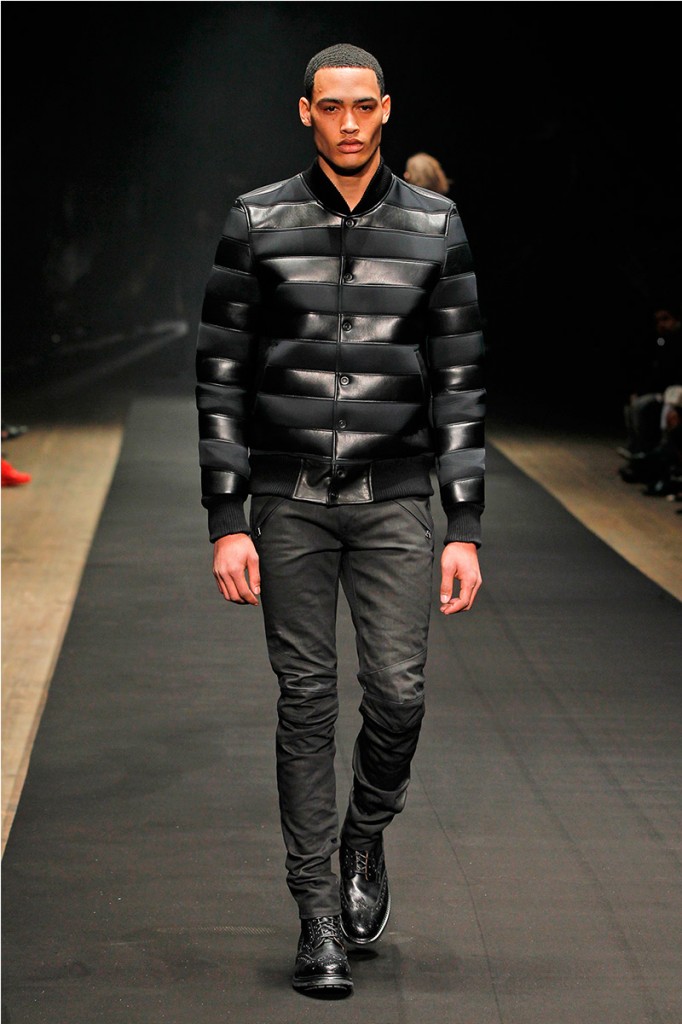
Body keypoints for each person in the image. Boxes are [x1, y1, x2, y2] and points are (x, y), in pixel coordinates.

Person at [195, 42, 485, 998]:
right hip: (288, 504)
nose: (350, 123)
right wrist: (226, 515)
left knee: (398, 697)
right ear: (306, 113)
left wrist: (465, 526)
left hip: (396, 499)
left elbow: (460, 382)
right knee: (307, 702)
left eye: (365, 106)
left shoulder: (436, 225)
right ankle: (317, 912)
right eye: (332, 107)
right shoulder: (257, 220)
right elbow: (222, 375)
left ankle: (364, 834)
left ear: (386, 109)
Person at [619, 302, 682, 481]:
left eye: (666, 319)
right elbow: (654, 371)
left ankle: (657, 456)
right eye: (658, 320)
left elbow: (672, 372)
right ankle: (637, 450)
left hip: (673, 391)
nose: (662, 324)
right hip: (666, 391)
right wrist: (639, 391)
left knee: (645, 407)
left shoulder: (676, 341)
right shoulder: (661, 341)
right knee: (633, 404)